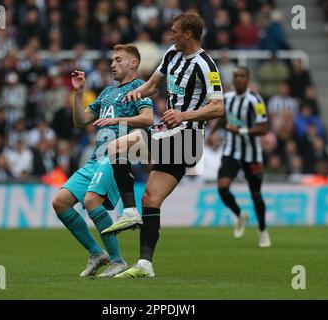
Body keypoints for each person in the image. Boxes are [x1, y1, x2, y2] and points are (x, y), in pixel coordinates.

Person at [101, 12, 225, 278]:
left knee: (116, 147)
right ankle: (145, 264)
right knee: (152, 198)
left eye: (175, 31)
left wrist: (184, 115)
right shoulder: (171, 54)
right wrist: (137, 92)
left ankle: (130, 211)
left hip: (187, 138)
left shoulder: (206, 65)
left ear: (188, 34)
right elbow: (153, 85)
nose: (171, 35)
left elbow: (218, 107)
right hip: (170, 137)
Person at [51, 44, 154, 277]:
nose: (112, 64)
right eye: (112, 60)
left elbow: (148, 118)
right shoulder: (106, 92)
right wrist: (78, 92)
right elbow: (81, 121)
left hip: (116, 157)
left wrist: (116, 120)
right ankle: (97, 253)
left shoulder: (139, 87)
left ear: (133, 63)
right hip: (94, 159)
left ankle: (118, 261)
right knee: (60, 202)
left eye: (118, 59)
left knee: (91, 201)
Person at [208, 67, 271, 247]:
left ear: (248, 78)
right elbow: (223, 117)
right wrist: (212, 132)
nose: (238, 79)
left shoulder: (256, 100)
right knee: (222, 188)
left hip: (252, 156)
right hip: (231, 152)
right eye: (236, 76)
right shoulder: (227, 98)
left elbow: (264, 128)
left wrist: (241, 130)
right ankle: (239, 215)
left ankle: (262, 230)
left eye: (242, 76)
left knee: (256, 195)